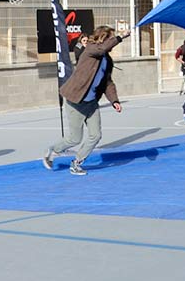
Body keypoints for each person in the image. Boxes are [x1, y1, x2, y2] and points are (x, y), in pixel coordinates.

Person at [43, 25, 130, 175]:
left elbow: (107, 82)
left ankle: (76, 163)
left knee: (95, 135)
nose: (112, 42)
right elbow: (101, 49)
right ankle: (53, 150)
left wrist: (114, 100)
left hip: (91, 103)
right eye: (110, 38)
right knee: (74, 139)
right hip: (75, 101)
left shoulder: (107, 60)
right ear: (103, 38)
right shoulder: (90, 49)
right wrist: (121, 37)